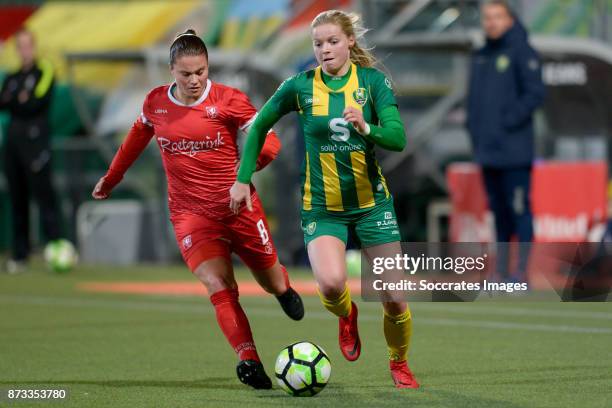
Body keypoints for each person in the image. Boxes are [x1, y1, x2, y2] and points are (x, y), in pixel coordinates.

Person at [92, 29, 304, 390]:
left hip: (240, 209)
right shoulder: (155, 104)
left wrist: (245, 175)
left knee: (270, 280)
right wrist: (111, 179)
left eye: (201, 72)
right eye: (186, 73)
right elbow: (134, 142)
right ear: (171, 70)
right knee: (217, 283)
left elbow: (269, 143)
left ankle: (283, 289)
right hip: (191, 215)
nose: (194, 80)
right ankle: (248, 359)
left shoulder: (229, 100)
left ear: (208, 67)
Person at [230, 10, 419, 389]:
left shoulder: (373, 83)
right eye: (318, 43)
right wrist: (242, 178)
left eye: (332, 41)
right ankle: (346, 315)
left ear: (350, 41)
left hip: (371, 206)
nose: (324, 49)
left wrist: (367, 127)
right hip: (323, 208)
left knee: (396, 299)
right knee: (332, 285)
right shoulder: (299, 86)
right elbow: (258, 126)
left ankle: (399, 363)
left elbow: (398, 138)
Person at [466, 0, 545, 281]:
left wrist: (506, 123)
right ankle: (501, 270)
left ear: (509, 19)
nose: (492, 22)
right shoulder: (480, 55)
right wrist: (475, 132)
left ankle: (521, 272)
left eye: (498, 16)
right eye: (487, 17)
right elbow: (473, 102)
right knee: (498, 213)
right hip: (488, 152)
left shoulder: (522, 52)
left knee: (520, 209)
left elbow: (535, 94)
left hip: (515, 152)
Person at [0, 29, 62, 274]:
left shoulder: (43, 71)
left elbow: (35, 102)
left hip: (36, 144)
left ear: (33, 47)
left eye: (28, 45)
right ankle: (20, 254)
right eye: (20, 46)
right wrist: (18, 99)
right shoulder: (12, 77)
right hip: (13, 144)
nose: (24, 50)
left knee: (44, 197)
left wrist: (17, 100)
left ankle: (55, 248)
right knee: (17, 200)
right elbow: (5, 102)